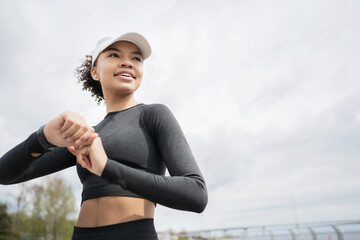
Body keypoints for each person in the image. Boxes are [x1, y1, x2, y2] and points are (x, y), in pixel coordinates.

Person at [0, 32, 208, 240]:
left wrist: (107, 168)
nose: (127, 63)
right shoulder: (87, 136)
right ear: (95, 72)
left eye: (136, 58)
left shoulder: (154, 115)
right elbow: (6, 174)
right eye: (114, 55)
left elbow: (196, 194)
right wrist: (42, 137)